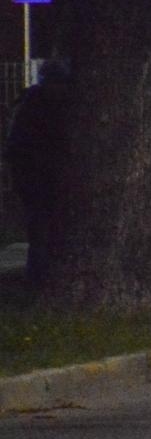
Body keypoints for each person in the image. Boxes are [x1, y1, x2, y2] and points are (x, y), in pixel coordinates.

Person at [2, 60, 73, 294]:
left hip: (36, 176)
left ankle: (39, 279)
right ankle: (39, 280)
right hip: (38, 177)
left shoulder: (31, 103)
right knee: (42, 229)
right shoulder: (39, 106)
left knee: (42, 229)